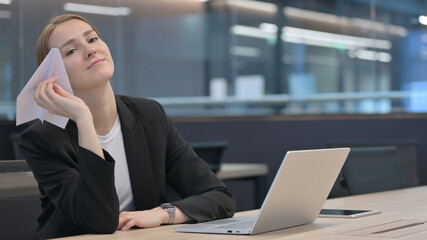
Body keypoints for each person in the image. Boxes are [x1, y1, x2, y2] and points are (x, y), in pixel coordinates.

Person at [19, 14, 235, 240]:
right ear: (54, 77)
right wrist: (83, 119)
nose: (90, 50)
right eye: (70, 51)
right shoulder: (42, 140)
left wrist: (163, 213)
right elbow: (99, 220)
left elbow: (220, 197)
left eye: (92, 39)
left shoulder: (150, 116)